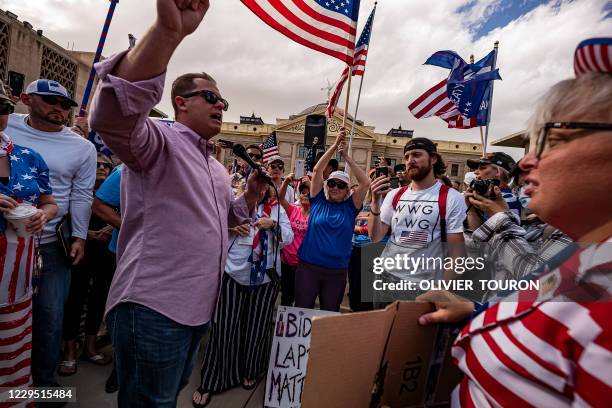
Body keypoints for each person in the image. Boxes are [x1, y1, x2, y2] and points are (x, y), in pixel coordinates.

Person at [88, 1, 269, 405]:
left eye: (224, 102)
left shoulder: (217, 167)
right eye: (211, 97)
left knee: (164, 400)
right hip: (153, 307)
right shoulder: (158, 140)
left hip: (197, 309)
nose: (221, 106)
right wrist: (168, 33)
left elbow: (227, 220)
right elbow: (111, 116)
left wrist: (252, 195)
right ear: (181, 102)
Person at [417, 38, 612, 407]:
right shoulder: (586, 257)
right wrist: (476, 312)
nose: (527, 162)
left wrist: (500, 218)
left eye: (551, 138)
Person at [7, 79, 97, 387]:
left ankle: (44, 387)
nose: (59, 109)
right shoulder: (8, 126)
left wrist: (80, 237)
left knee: (49, 319)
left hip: (50, 246)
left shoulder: (82, 148)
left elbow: (82, 196)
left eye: (65, 105)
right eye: (50, 101)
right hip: (6, 245)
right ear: (26, 99)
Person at [193, 186, 293, 407]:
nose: (261, 188)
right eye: (255, 183)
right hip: (233, 273)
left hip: (265, 278)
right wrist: (229, 226)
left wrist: (273, 225)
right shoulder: (233, 205)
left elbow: (289, 238)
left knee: (257, 327)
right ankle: (213, 380)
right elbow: (210, 228)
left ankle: (251, 370)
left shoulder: (278, 210)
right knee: (224, 327)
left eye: (264, 184)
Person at [0, 82, 58, 393]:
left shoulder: (29, 157)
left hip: (17, 269)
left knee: (12, 342)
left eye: (2, 108)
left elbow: (50, 202)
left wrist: (43, 215)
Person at [368, 138, 467, 302]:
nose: (410, 161)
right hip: (385, 278)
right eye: (406, 157)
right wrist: (375, 202)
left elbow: (457, 255)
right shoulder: (395, 194)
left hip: (422, 287)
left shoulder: (451, 197)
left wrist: (440, 291)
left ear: (433, 159)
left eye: (416, 155)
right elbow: (375, 236)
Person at [294, 128, 370, 312]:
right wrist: (335, 146)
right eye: (332, 183)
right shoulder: (317, 200)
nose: (335, 187)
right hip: (308, 268)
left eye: (341, 185)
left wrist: (346, 156)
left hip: (336, 273)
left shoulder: (350, 207)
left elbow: (365, 183)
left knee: (329, 315)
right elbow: (318, 169)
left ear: (347, 190)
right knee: (302, 311)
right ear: (327, 186)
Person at [59, 153, 115, 376]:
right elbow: (64, 220)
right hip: (80, 252)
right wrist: (87, 234)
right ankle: (69, 351)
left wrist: (113, 227)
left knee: (99, 298)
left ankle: (90, 347)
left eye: (106, 165)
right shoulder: (78, 192)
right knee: (75, 298)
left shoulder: (118, 194)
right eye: (97, 164)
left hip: (107, 253)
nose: (102, 168)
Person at [92, 164, 124, 394]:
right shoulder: (126, 170)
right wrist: (130, 228)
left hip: (164, 261)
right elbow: (100, 205)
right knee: (121, 313)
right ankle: (120, 368)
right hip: (125, 254)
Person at [278, 173, 310, 306]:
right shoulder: (293, 209)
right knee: (286, 297)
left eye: (308, 193)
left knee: (302, 298)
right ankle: (284, 326)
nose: (305, 195)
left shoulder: (317, 213)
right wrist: (286, 182)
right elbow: (280, 198)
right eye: (302, 193)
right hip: (286, 261)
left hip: (304, 264)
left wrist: (310, 182)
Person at [466, 151, 521, 219]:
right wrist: (472, 210)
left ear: (498, 172)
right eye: (477, 168)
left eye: (482, 168)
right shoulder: (486, 196)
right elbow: (474, 229)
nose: (475, 172)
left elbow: (502, 228)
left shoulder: (508, 199)